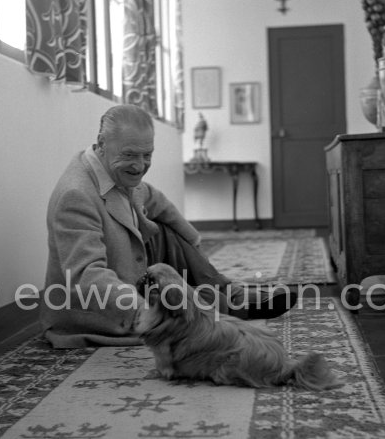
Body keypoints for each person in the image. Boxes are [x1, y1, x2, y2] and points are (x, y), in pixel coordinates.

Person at [40, 104, 296, 347]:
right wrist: (145, 310)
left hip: (133, 274)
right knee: (183, 305)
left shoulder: (112, 170)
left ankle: (230, 292)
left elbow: (154, 199)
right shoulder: (76, 196)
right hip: (97, 308)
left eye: (147, 155)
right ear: (102, 143)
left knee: (168, 231)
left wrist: (191, 242)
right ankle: (232, 306)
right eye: (129, 155)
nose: (140, 166)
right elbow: (88, 277)